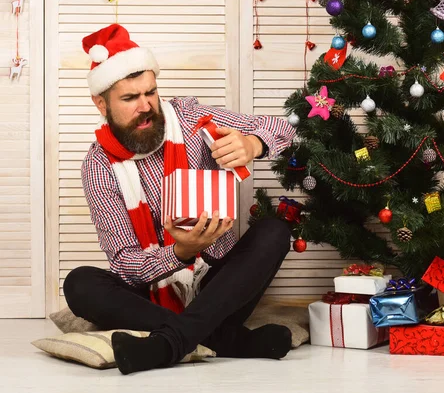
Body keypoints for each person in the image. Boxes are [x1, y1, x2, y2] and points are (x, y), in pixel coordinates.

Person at [63, 24, 297, 375]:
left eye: (151, 93)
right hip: (150, 293)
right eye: (130, 98)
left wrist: (253, 144)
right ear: (101, 103)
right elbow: (126, 263)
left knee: (275, 231)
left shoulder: (189, 119)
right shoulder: (97, 166)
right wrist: (179, 252)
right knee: (79, 283)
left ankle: (165, 344)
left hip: (217, 283)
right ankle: (229, 340)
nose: (146, 107)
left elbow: (284, 128)